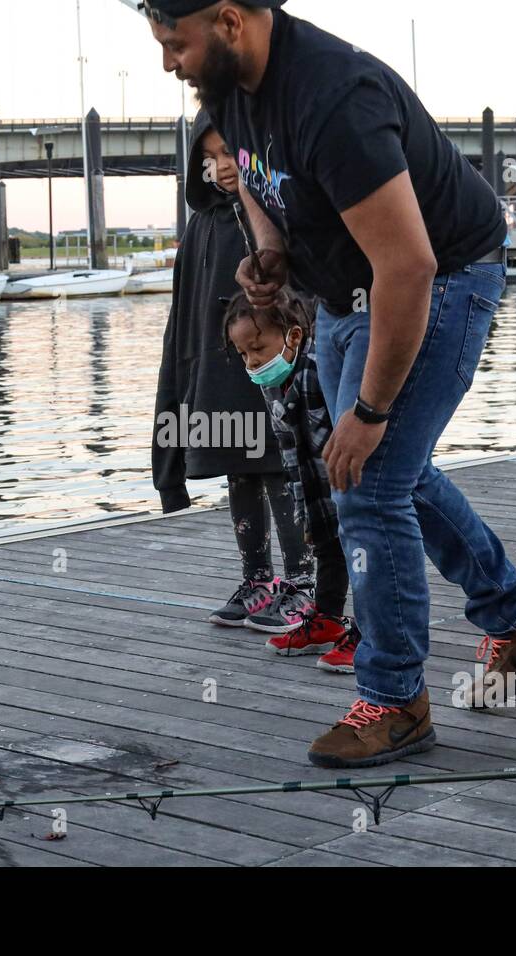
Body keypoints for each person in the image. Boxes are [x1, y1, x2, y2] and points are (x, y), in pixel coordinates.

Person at [142, 0, 516, 769]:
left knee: (369, 479)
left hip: (439, 278)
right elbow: (251, 174)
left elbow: (408, 265)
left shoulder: (334, 99)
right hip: (345, 288)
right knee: (383, 473)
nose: (167, 62)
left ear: (227, 21)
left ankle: (396, 699)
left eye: (174, 44)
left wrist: (372, 410)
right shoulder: (226, 89)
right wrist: (272, 248)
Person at [152, 108, 315, 634]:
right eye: (211, 155)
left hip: (276, 367)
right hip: (222, 370)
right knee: (239, 464)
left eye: (231, 153)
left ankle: (303, 581)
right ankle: (258, 578)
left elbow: (306, 289)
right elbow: (186, 313)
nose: (222, 166)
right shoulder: (202, 225)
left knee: (283, 468)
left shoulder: (274, 215)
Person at [223, 288, 360, 674]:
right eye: (244, 354)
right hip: (316, 487)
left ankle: (371, 634)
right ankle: (327, 620)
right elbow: (290, 454)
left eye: (257, 349)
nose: (252, 362)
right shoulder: (271, 383)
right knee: (328, 547)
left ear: (294, 336)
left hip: (351, 480)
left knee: (364, 551)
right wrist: (305, 516)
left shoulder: (321, 368)